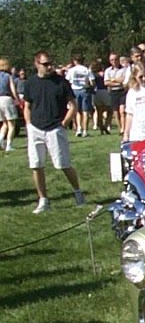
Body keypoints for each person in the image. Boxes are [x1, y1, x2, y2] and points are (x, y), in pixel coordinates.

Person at [23, 50, 84, 213]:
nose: (49, 67)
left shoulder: (61, 82)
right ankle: (43, 200)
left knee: (63, 164)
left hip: (55, 128)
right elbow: (27, 106)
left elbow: (73, 105)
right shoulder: (30, 83)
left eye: (51, 63)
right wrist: (29, 124)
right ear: (37, 64)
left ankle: (78, 192)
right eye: (45, 64)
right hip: (36, 128)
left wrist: (64, 123)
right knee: (36, 165)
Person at [64, 54, 94, 137]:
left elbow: (67, 81)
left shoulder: (72, 70)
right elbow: (92, 82)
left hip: (75, 90)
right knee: (85, 111)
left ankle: (79, 129)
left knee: (77, 111)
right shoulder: (86, 70)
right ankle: (85, 130)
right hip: (85, 90)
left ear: (74, 61)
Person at [104, 52, 128, 134]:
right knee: (116, 112)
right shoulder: (108, 70)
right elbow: (106, 83)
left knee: (122, 111)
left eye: (115, 59)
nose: (114, 61)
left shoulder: (124, 69)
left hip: (122, 92)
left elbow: (124, 80)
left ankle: (123, 129)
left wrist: (113, 80)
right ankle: (120, 127)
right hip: (113, 93)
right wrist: (118, 82)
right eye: (112, 60)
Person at [0, 58, 19, 151]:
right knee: (12, 123)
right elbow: (13, 89)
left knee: (4, 123)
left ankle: (0, 139)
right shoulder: (8, 76)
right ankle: (9, 145)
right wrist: (17, 99)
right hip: (6, 99)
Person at [91, 58, 112, 134]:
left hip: (96, 93)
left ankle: (101, 129)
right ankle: (106, 125)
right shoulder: (102, 73)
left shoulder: (92, 73)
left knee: (99, 111)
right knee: (109, 110)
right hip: (104, 91)